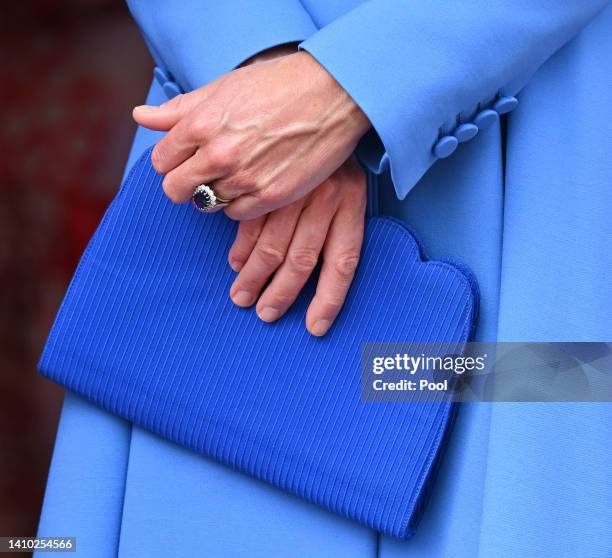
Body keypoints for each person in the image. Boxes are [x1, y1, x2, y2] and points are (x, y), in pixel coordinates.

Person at [36, 1, 612, 556]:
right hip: (231, 155)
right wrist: (258, 70)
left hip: (539, 158)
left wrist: (350, 87)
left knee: (534, 462)